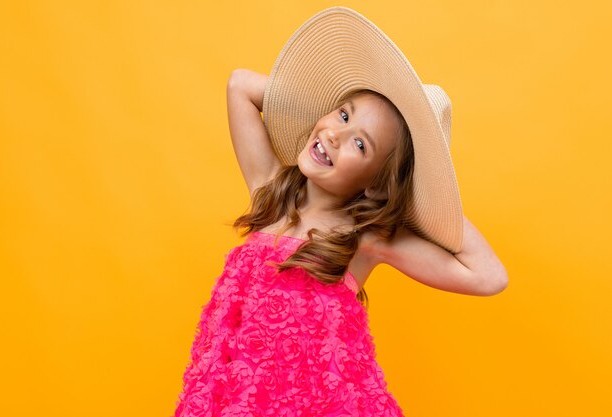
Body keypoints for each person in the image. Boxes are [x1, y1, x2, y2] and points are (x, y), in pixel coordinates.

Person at [172, 7, 508, 417]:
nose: (334, 133)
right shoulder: (270, 191)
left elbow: (489, 277)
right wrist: (324, 117)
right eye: (342, 113)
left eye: (360, 145)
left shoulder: (364, 240)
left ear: (376, 182)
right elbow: (240, 84)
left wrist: (422, 195)